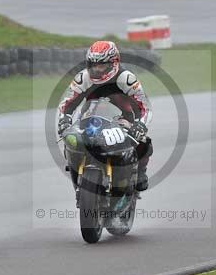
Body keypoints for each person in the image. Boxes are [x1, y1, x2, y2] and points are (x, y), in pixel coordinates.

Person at [57, 41, 153, 191]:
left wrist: (140, 124)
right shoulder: (83, 78)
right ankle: (75, 168)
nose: (97, 69)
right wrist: (64, 119)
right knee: (70, 137)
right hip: (90, 118)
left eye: (101, 65)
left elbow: (145, 105)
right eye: (93, 65)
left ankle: (140, 172)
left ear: (113, 63)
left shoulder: (127, 79)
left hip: (122, 119)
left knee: (143, 141)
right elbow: (67, 103)